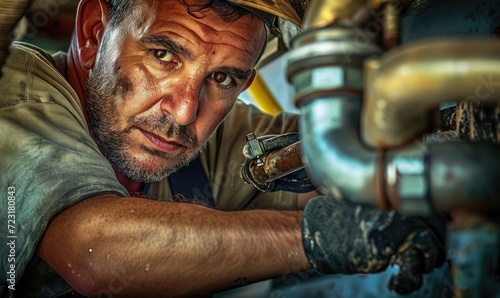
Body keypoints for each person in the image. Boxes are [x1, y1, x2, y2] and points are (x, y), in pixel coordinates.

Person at [0, 0, 445, 296]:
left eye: (222, 78)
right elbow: (94, 252)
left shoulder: (209, 139)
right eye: (163, 55)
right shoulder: (15, 95)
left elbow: (343, 162)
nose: (183, 112)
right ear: (95, 33)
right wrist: (324, 236)